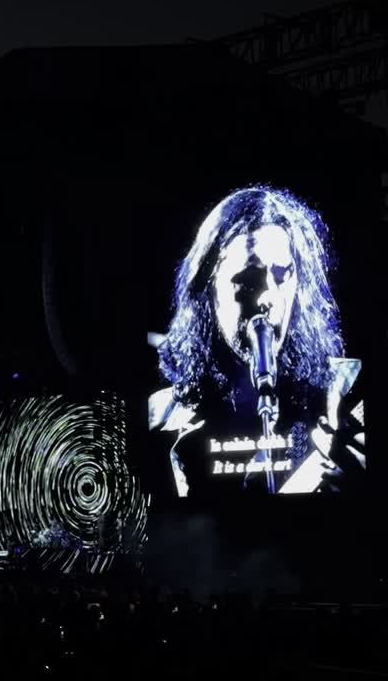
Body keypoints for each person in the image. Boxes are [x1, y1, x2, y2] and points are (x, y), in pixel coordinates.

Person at [149, 184, 363, 500]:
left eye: (282, 275)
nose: (267, 298)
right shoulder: (158, 416)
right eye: (248, 281)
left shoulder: (347, 395)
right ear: (207, 290)